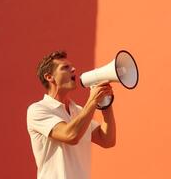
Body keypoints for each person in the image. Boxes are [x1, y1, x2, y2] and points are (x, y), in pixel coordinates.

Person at [27, 51, 116, 179]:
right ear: (49, 77)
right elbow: (70, 135)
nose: (73, 69)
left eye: (71, 66)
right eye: (65, 67)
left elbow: (107, 140)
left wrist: (105, 103)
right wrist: (92, 101)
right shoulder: (38, 110)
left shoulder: (79, 111)